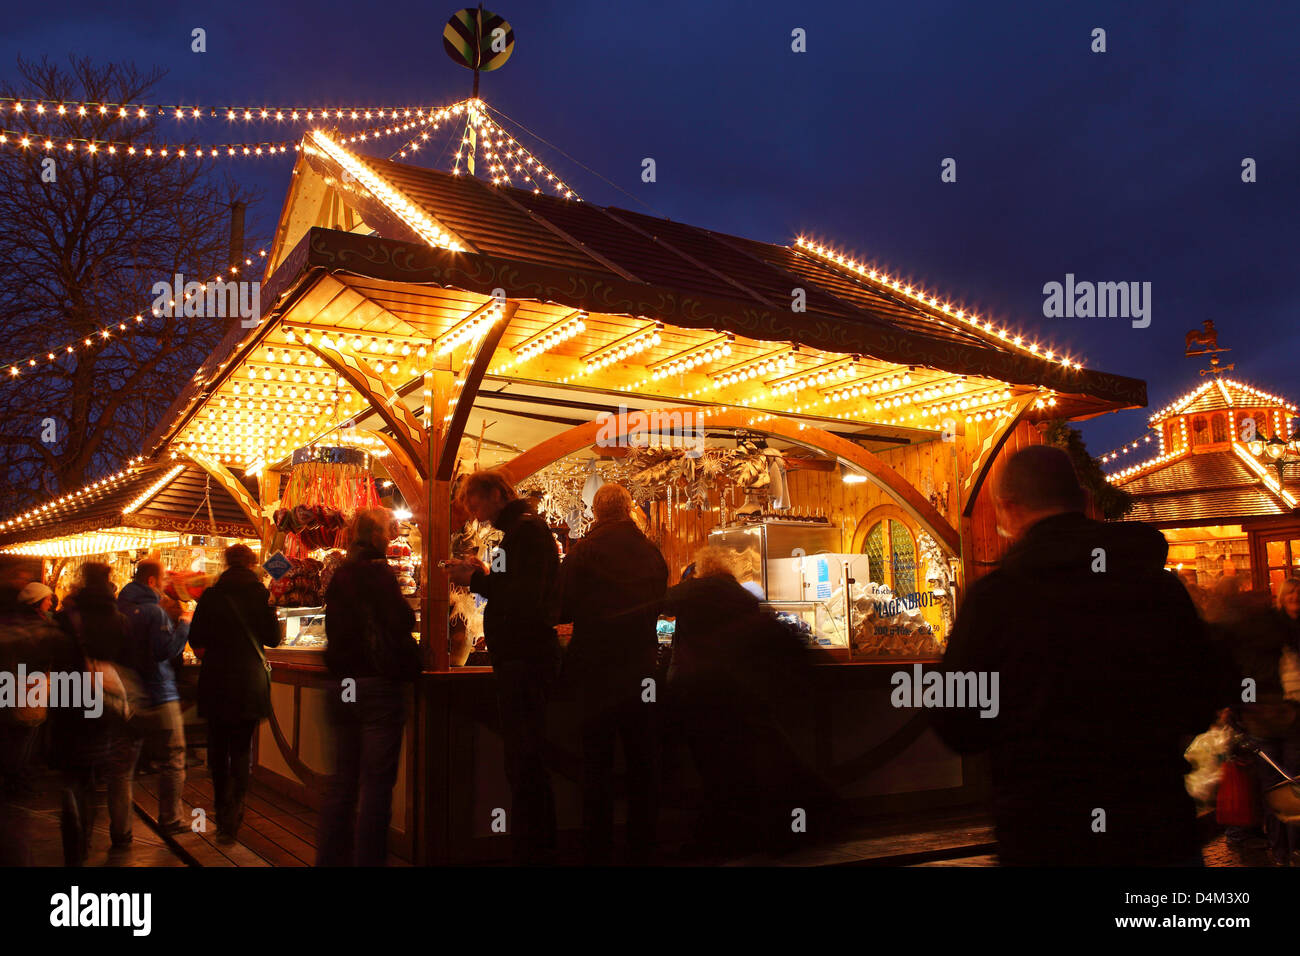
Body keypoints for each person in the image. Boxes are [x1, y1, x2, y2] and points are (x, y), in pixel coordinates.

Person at [930, 445, 1226, 866]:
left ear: (1008, 507)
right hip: (1152, 817)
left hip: (1044, 825)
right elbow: (1204, 691)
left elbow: (957, 722)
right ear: (1082, 499)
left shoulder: (998, 597)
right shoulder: (1156, 587)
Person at [664, 545, 835, 857]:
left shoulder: (689, 592)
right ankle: (746, 836)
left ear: (702, 569)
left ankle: (714, 841)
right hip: (738, 693)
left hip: (697, 692)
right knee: (736, 769)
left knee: (711, 770)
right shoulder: (746, 597)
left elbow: (656, 606)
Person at [446, 469, 560, 865]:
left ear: (496, 494)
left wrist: (474, 580)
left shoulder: (524, 533)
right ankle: (534, 843)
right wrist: (482, 574)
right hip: (524, 657)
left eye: (475, 504)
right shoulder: (522, 532)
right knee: (525, 757)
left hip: (524, 660)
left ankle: (534, 846)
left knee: (525, 757)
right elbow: (516, 587)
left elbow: (520, 598)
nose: (474, 514)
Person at [558, 483, 669, 865]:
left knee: (596, 764)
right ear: (629, 508)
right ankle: (643, 846)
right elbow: (661, 601)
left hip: (595, 670)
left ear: (595, 511)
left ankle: (597, 848)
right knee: (643, 762)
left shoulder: (583, 552)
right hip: (642, 669)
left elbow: (562, 607)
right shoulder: (651, 551)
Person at [317, 508, 421, 866]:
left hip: (341, 684)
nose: (392, 534)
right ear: (377, 536)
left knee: (343, 782)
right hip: (376, 684)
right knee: (376, 786)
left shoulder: (341, 572)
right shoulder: (378, 573)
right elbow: (401, 619)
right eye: (388, 530)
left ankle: (331, 860)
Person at [187, 544, 280, 843]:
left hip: (216, 679)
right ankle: (235, 809)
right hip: (249, 681)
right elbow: (273, 640)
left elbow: (196, 637)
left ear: (227, 564)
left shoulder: (212, 596)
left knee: (217, 746)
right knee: (241, 748)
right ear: (252, 563)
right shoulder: (260, 595)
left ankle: (220, 804)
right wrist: (272, 606)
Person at [49, 563, 132, 864]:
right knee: (93, 775)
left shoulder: (64, 618)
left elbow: (52, 658)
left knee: (73, 776)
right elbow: (126, 659)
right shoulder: (119, 620)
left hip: (67, 701)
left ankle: (74, 845)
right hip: (103, 703)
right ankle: (86, 837)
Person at [112, 559, 192, 840]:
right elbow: (165, 651)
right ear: (151, 581)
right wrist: (183, 625)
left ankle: (120, 830)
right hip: (158, 694)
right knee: (173, 758)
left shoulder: (118, 609)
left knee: (122, 768)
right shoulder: (153, 613)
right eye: (161, 580)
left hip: (126, 695)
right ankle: (171, 819)